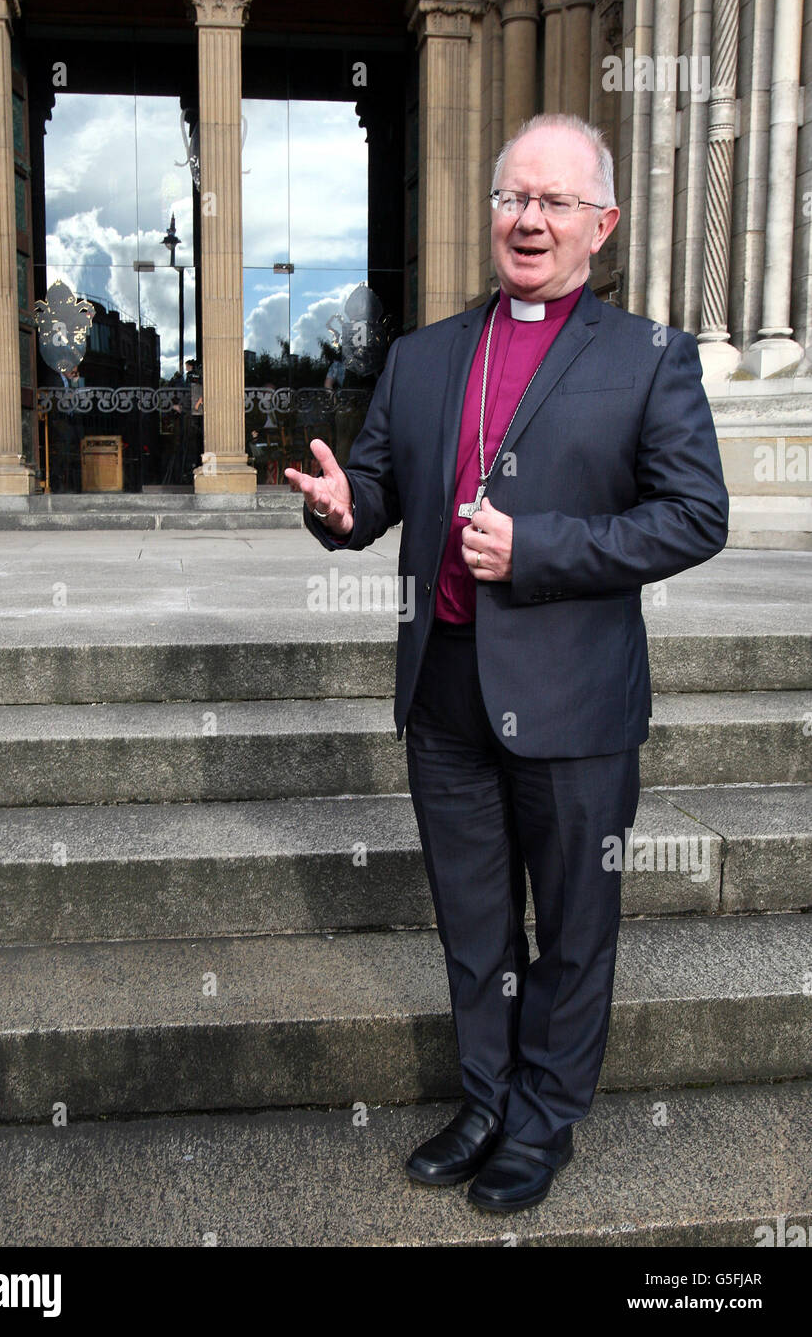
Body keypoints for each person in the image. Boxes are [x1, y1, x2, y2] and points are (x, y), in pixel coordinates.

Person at [285, 113, 728, 1214]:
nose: (526, 219)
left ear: (600, 224)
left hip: (573, 698)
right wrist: (343, 512)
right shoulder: (425, 354)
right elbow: (378, 488)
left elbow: (693, 517)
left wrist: (540, 551)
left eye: (553, 202)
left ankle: (541, 1122)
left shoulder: (647, 358)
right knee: (473, 921)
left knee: (573, 927)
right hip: (443, 690)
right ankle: (483, 1100)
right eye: (510, 198)